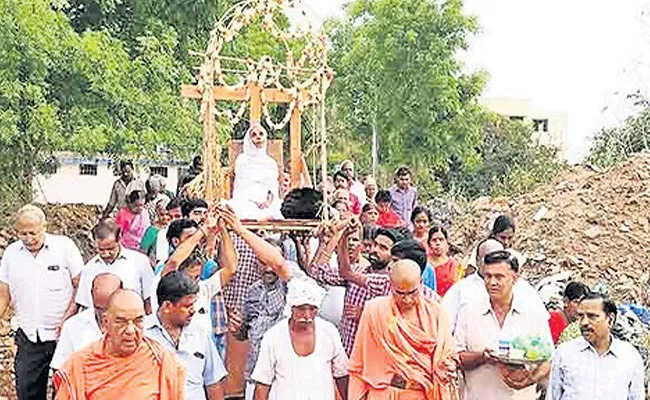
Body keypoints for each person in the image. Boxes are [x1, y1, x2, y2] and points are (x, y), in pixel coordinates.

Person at [0, 205, 84, 400]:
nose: (29, 239)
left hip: (63, 335)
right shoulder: (12, 254)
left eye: (33, 233)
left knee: (65, 391)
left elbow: (81, 286)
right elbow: (4, 292)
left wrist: (68, 318)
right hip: (30, 335)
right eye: (23, 233)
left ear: (44, 227)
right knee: (27, 391)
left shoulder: (64, 247)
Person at [349, 259, 455, 400]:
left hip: (421, 393)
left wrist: (447, 365)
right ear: (391, 286)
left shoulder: (437, 314)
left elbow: (447, 354)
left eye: (412, 292)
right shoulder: (374, 311)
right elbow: (358, 364)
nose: (407, 299)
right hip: (384, 393)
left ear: (421, 283)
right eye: (400, 293)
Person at [455, 250, 551, 400]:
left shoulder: (533, 313)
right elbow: (455, 356)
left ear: (515, 277)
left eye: (499, 277)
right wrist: (482, 357)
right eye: (488, 276)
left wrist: (530, 380)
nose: (492, 282)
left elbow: (548, 358)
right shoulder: (468, 311)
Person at [53, 290, 185, 399]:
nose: (130, 330)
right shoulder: (80, 364)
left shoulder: (162, 361)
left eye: (138, 321)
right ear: (105, 323)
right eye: (121, 322)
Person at [229, 238, 304, 400]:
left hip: (284, 378)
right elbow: (245, 332)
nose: (269, 269)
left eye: (273, 263)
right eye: (263, 262)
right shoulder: (252, 291)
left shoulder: (292, 288)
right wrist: (237, 330)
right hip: (255, 374)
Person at [251, 277, 349, 400]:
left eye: (312, 309)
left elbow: (342, 375)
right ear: (291, 307)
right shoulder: (273, 336)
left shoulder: (329, 332)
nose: (307, 315)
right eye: (302, 308)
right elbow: (262, 384)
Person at [310, 225, 403, 355]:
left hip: (374, 361)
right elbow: (317, 273)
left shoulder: (395, 285)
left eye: (383, 248)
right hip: (345, 355)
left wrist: (367, 315)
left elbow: (396, 325)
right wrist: (325, 242)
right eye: (374, 244)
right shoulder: (357, 270)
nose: (375, 250)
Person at [145, 271, 228, 400]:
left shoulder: (200, 334)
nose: (193, 310)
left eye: (193, 305)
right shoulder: (143, 335)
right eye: (187, 306)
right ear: (167, 305)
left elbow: (213, 384)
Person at [547, 293, 645, 400]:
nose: (584, 322)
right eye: (580, 316)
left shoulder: (629, 357)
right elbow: (553, 396)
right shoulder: (564, 353)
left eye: (592, 316)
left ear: (610, 320)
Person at [442, 239, 548, 335]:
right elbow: (445, 329)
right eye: (488, 258)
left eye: (499, 257)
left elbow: (541, 327)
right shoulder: (461, 290)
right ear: (477, 261)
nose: (494, 262)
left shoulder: (524, 289)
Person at [76, 221, 154, 314]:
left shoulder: (140, 262)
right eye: (101, 250)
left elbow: (149, 299)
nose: (106, 254)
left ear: (119, 239)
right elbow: (85, 304)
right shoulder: (89, 268)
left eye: (110, 249)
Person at [51, 273, 122, 371]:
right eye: (99, 309)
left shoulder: (133, 327)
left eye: (108, 309)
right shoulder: (73, 326)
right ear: (92, 296)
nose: (104, 315)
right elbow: (59, 369)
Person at [230, 123, 283, 220]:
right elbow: (242, 187)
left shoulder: (271, 162)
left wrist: (268, 201)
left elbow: (272, 189)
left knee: (277, 209)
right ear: (249, 140)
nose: (258, 137)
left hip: (268, 203)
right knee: (244, 209)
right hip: (247, 200)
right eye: (254, 135)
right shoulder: (242, 160)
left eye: (261, 134)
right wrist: (255, 201)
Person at [428, 226, 462, 297]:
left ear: (446, 242)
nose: (438, 243)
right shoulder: (424, 264)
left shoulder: (454, 264)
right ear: (429, 243)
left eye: (441, 240)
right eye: (434, 240)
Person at [140, 197, 171, 262]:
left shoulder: (173, 227)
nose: (165, 217)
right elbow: (143, 251)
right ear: (157, 213)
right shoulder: (152, 230)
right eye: (162, 215)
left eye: (167, 214)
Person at [154, 197, 183, 264]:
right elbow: (161, 261)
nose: (173, 220)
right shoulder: (163, 234)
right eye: (170, 217)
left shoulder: (193, 233)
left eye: (177, 216)